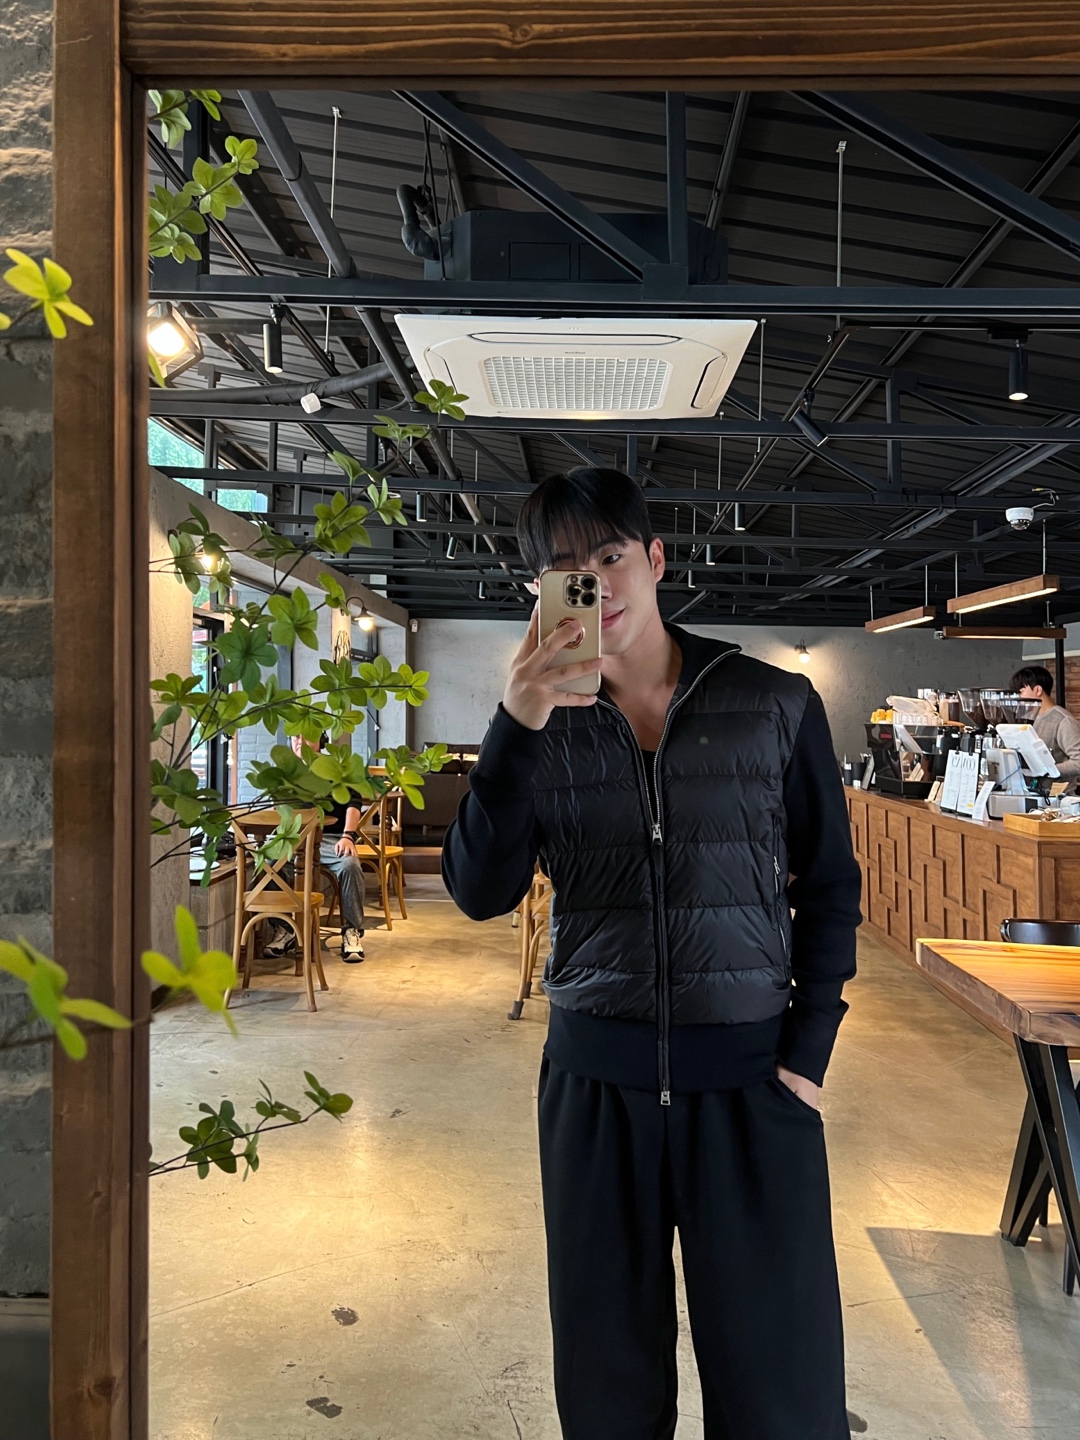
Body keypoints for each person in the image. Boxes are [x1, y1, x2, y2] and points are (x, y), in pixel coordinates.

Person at [442, 467, 863, 1440]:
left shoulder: (773, 703)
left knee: (783, 1396)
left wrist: (806, 1057)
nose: (594, 583)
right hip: (596, 1091)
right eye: (565, 569)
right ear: (540, 591)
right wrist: (515, 724)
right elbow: (477, 892)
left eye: (610, 555)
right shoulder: (541, 726)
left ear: (656, 558)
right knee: (608, 1397)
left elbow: (829, 886)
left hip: (752, 1090)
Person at [265, 735, 366, 962]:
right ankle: (285, 929)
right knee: (269, 865)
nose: (300, 741)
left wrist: (348, 836)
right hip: (295, 840)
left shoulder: (335, 767)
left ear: (321, 740)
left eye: (307, 736)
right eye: (295, 737)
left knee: (350, 865)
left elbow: (354, 803)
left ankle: (351, 931)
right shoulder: (285, 773)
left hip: (332, 839)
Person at [1010, 664, 1080, 782]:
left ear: (1038, 690)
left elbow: (1078, 762)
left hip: (1058, 792)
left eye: (1021, 691)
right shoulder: (1027, 718)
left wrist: (1045, 770)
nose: (1018, 697)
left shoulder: (1063, 720)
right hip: (1030, 790)